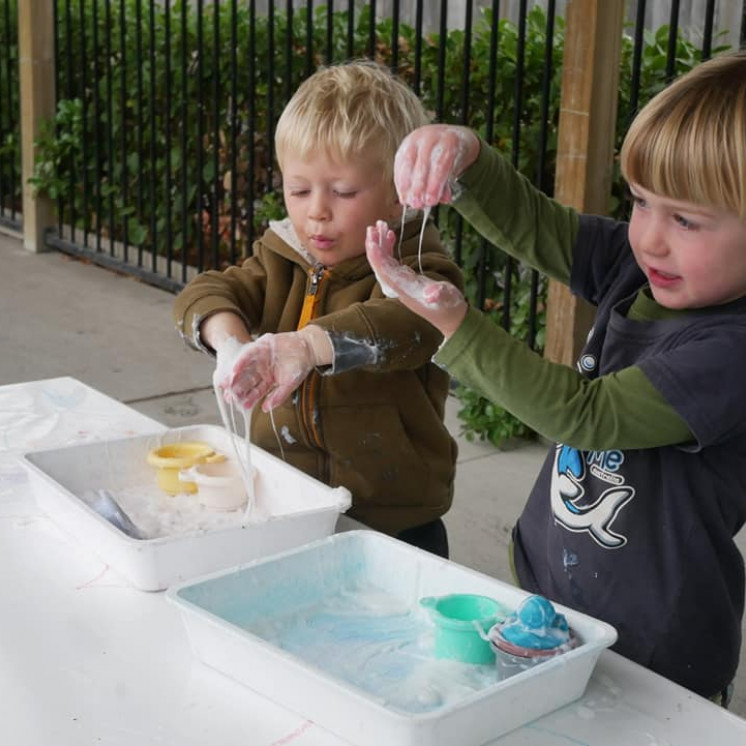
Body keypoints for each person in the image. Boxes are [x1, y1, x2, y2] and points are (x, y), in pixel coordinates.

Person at [364, 51, 746, 704]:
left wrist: (456, 327)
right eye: (642, 202)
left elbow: (586, 415)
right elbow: (540, 228)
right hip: (556, 597)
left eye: (685, 219)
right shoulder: (642, 266)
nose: (649, 238)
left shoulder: (731, 350)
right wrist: (466, 157)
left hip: (658, 650)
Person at [173, 60, 463, 557]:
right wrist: (229, 343)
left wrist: (308, 346)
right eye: (299, 189)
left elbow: (412, 324)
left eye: (343, 191)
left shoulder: (417, 265)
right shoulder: (282, 258)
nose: (316, 211)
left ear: (397, 196)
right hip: (285, 504)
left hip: (393, 521)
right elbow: (207, 292)